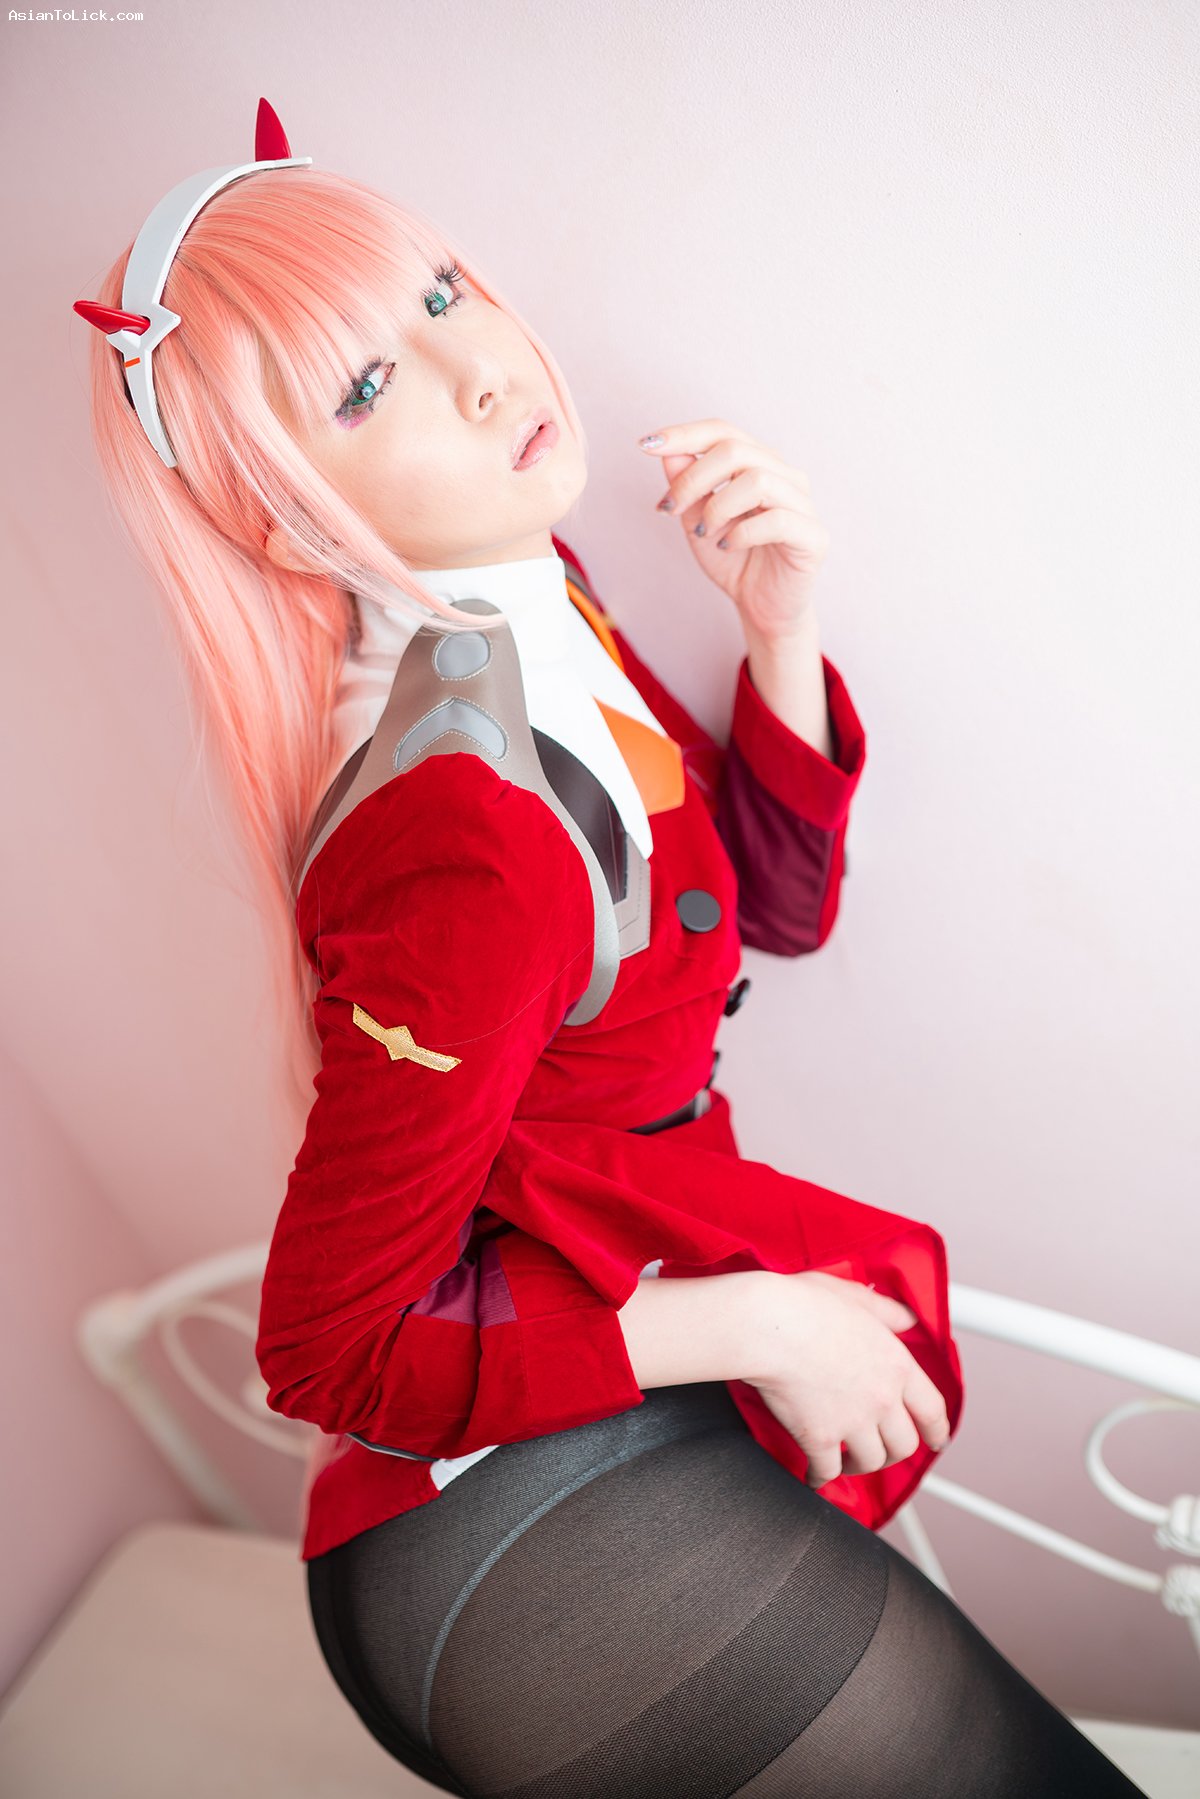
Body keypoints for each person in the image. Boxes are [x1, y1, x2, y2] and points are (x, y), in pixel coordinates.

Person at [74, 98, 1147, 1799]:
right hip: (496, 1528)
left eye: (442, 294)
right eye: (367, 387)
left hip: (601, 1375)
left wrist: (777, 624)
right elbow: (327, 1355)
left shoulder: (521, 590)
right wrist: (763, 1323)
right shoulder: (463, 826)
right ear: (287, 523)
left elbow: (758, 915)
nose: (482, 369)